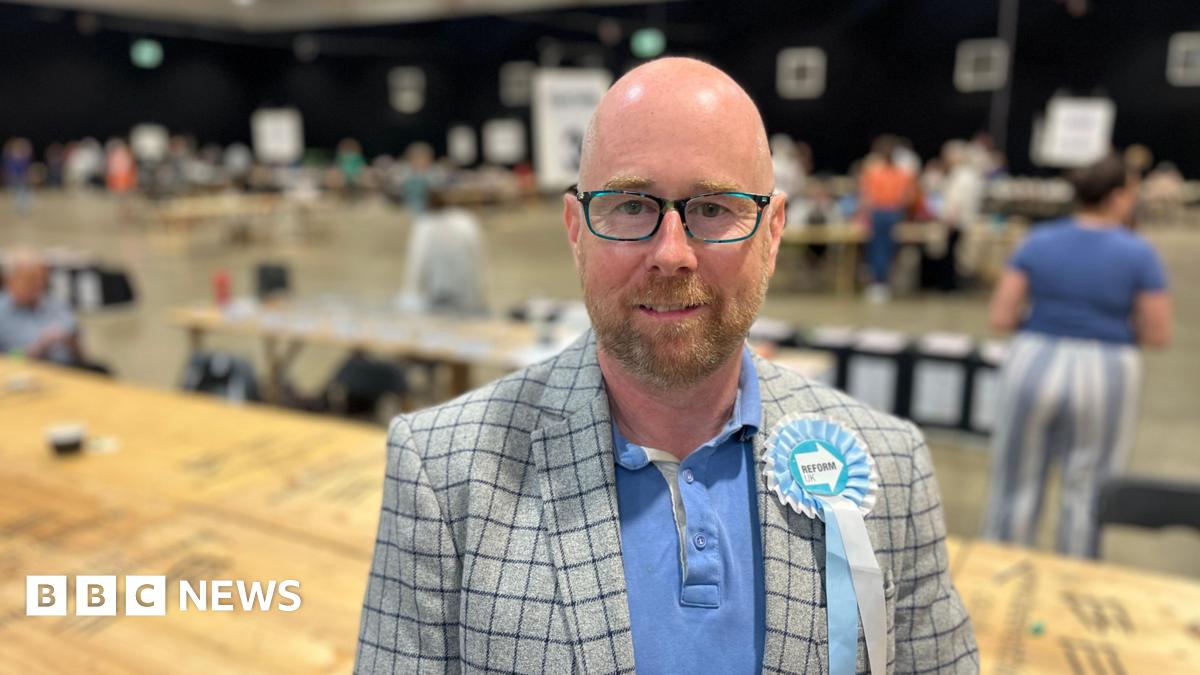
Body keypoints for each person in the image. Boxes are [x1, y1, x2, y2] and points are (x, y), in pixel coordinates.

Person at [357, 57, 976, 674]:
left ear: (774, 232)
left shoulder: (890, 470)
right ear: (576, 229)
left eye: (713, 209)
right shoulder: (441, 472)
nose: (672, 254)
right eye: (630, 206)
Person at [982, 153, 1172, 558]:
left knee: (1015, 481)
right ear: (1119, 196)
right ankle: (1074, 580)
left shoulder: (1039, 239)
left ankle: (1002, 577)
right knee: (1088, 487)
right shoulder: (1139, 252)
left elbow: (1001, 314)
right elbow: (1157, 332)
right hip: (1107, 367)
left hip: (1033, 358)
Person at [859, 135, 916, 303]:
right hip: (893, 213)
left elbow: (866, 197)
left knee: (878, 248)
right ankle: (881, 282)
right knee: (886, 249)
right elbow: (908, 197)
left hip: (881, 213)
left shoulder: (874, 172)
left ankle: (879, 283)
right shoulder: (903, 174)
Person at [0, 249, 82, 366]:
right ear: (9, 280)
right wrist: (38, 347)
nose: (38, 285)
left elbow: (82, 354)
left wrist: (72, 342)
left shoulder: (57, 305)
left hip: (68, 369)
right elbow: (8, 357)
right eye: (30, 279)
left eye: (42, 279)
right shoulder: (2, 312)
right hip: (22, 372)